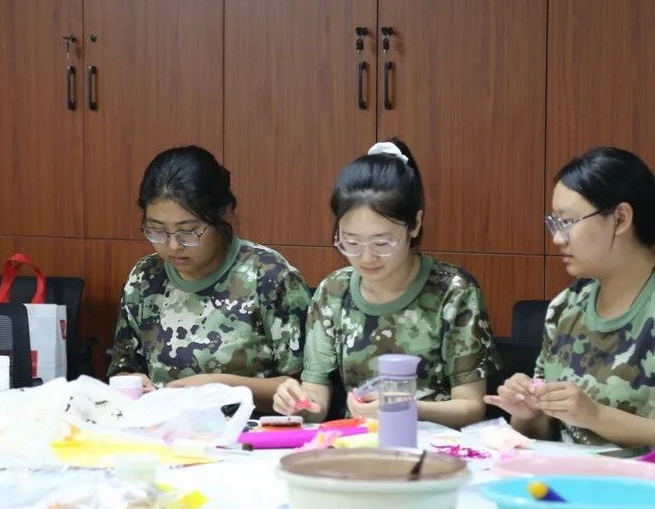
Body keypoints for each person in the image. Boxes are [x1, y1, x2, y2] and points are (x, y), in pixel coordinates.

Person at [272, 139, 499, 429]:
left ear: (415, 225)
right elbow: (316, 398)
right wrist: (298, 404)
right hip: (357, 443)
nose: (367, 257)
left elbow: (471, 407)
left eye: (382, 243)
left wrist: (404, 408)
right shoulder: (333, 292)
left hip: (434, 443)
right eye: (351, 242)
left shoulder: (454, 292)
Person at [106, 145, 311, 413]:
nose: (173, 245)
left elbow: (303, 388)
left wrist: (221, 387)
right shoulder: (145, 277)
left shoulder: (269, 277)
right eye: (157, 230)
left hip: (248, 431)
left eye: (188, 231)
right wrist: (132, 383)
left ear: (222, 214)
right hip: (164, 428)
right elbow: (124, 368)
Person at [485, 147, 655, 446]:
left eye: (567, 222)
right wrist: (528, 413)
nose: (557, 238)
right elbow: (541, 434)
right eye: (554, 223)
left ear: (620, 219)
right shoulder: (566, 307)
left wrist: (595, 416)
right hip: (564, 473)